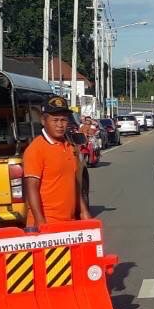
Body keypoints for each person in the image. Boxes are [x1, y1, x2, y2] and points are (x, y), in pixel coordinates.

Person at [22, 95, 91, 232]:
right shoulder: (36, 149)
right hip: (47, 222)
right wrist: (40, 222)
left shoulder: (70, 146)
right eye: (55, 120)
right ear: (43, 120)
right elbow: (31, 188)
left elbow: (74, 183)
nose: (60, 125)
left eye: (63, 120)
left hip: (69, 222)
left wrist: (84, 212)